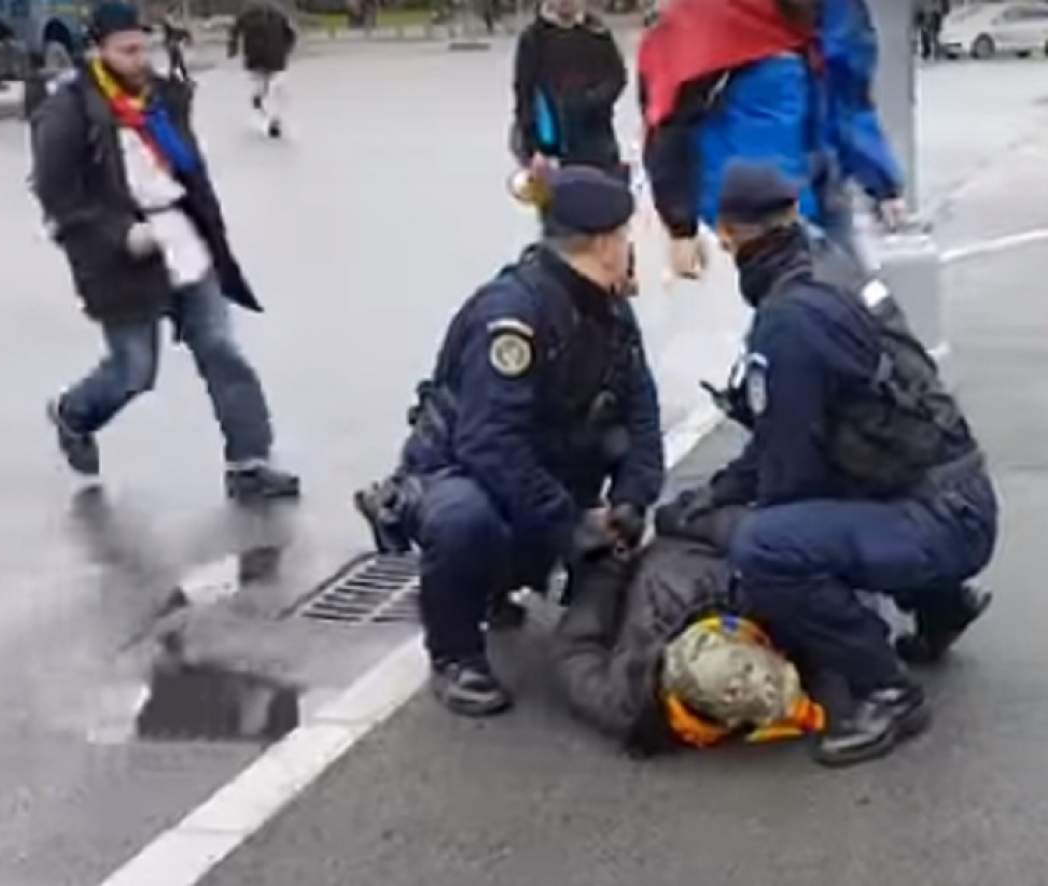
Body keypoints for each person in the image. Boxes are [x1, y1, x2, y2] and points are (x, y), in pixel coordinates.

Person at [663, 160, 997, 768]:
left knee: (768, 547)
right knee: (840, 485)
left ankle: (886, 690)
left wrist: (716, 519)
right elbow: (804, 434)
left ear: (732, 236)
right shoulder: (830, 267)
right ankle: (942, 604)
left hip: (941, 518)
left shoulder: (790, 319)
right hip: (959, 494)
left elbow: (789, 474)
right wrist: (718, 490)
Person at [355, 168, 664, 718]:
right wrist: (569, 524)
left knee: (579, 529)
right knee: (465, 519)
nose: (628, 247)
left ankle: (508, 579)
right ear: (603, 244)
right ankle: (455, 655)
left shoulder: (607, 308)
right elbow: (488, 446)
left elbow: (641, 411)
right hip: (460, 473)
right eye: (624, 235)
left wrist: (632, 500)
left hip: (539, 475)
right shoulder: (513, 316)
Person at [32, 2, 299, 502]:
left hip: (182, 238)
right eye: (125, 50)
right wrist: (118, 234)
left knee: (221, 350)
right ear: (98, 50)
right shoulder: (69, 109)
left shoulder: (159, 99)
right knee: (134, 371)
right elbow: (59, 198)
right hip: (121, 257)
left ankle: (250, 461)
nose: (138, 58)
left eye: (141, 47)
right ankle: (73, 414)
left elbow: (187, 169)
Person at [638, 0, 907, 279]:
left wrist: (882, 182)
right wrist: (681, 225)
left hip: (802, 192)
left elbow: (848, 96)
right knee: (823, 300)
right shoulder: (711, 16)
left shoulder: (830, 15)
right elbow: (669, 116)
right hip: (761, 211)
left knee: (839, 298)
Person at [554, 517, 828, 756]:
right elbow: (752, 535)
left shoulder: (627, 702)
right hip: (688, 553)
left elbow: (575, 648)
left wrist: (608, 565)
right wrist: (678, 516)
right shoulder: (777, 612)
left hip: (647, 569)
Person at [511, 0, 627, 175]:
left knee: (603, 195)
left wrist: (594, 100)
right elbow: (525, 95)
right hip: (552, 139)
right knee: (560, 198)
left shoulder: (597, 33)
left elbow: (616, 76)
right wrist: (533, 147)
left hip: (597, 138)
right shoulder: (534, 38)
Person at [228, 0, 297, 139]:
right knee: (277, 89)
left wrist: (232, 48)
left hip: (256, 59)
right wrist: (286, 49)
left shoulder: (246, 14)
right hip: (275, 59)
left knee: (262, 89)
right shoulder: (279, 14)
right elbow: (291, 35)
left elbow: (234, 32)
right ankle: (273, 119)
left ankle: (266, 114)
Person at [161, 9, 194, 84]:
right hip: (171, 44)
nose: (177, 15)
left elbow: (177, 30)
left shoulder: (171, 21)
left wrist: (186, 34)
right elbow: (175, 30)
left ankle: (180, 78)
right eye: (175, 13)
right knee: (176, 62)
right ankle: (174, 79)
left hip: (172, 44)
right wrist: (186, 33)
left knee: (177, 62)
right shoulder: (168, 21)